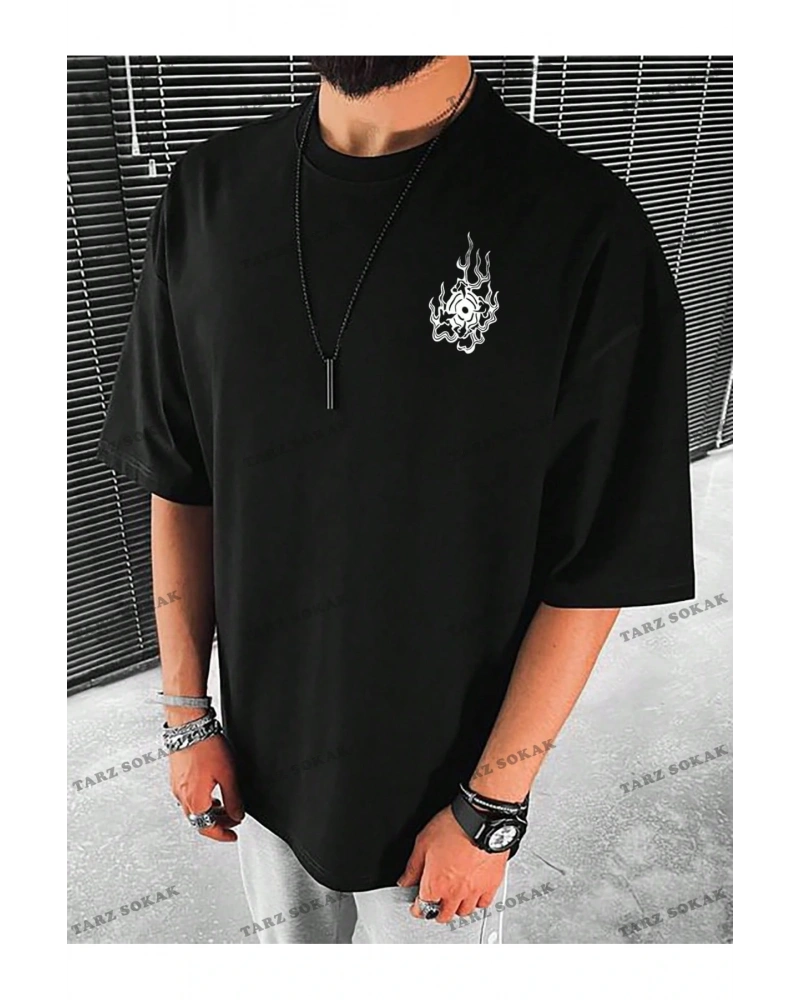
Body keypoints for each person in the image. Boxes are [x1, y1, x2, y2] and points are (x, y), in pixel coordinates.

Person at [97, 55, 695, 944]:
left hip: (440, 814)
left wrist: (492, 806)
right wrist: (187, 716)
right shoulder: (208, 196)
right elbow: (181, 474)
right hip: (258, 777)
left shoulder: (580, 225)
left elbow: (600, 554)